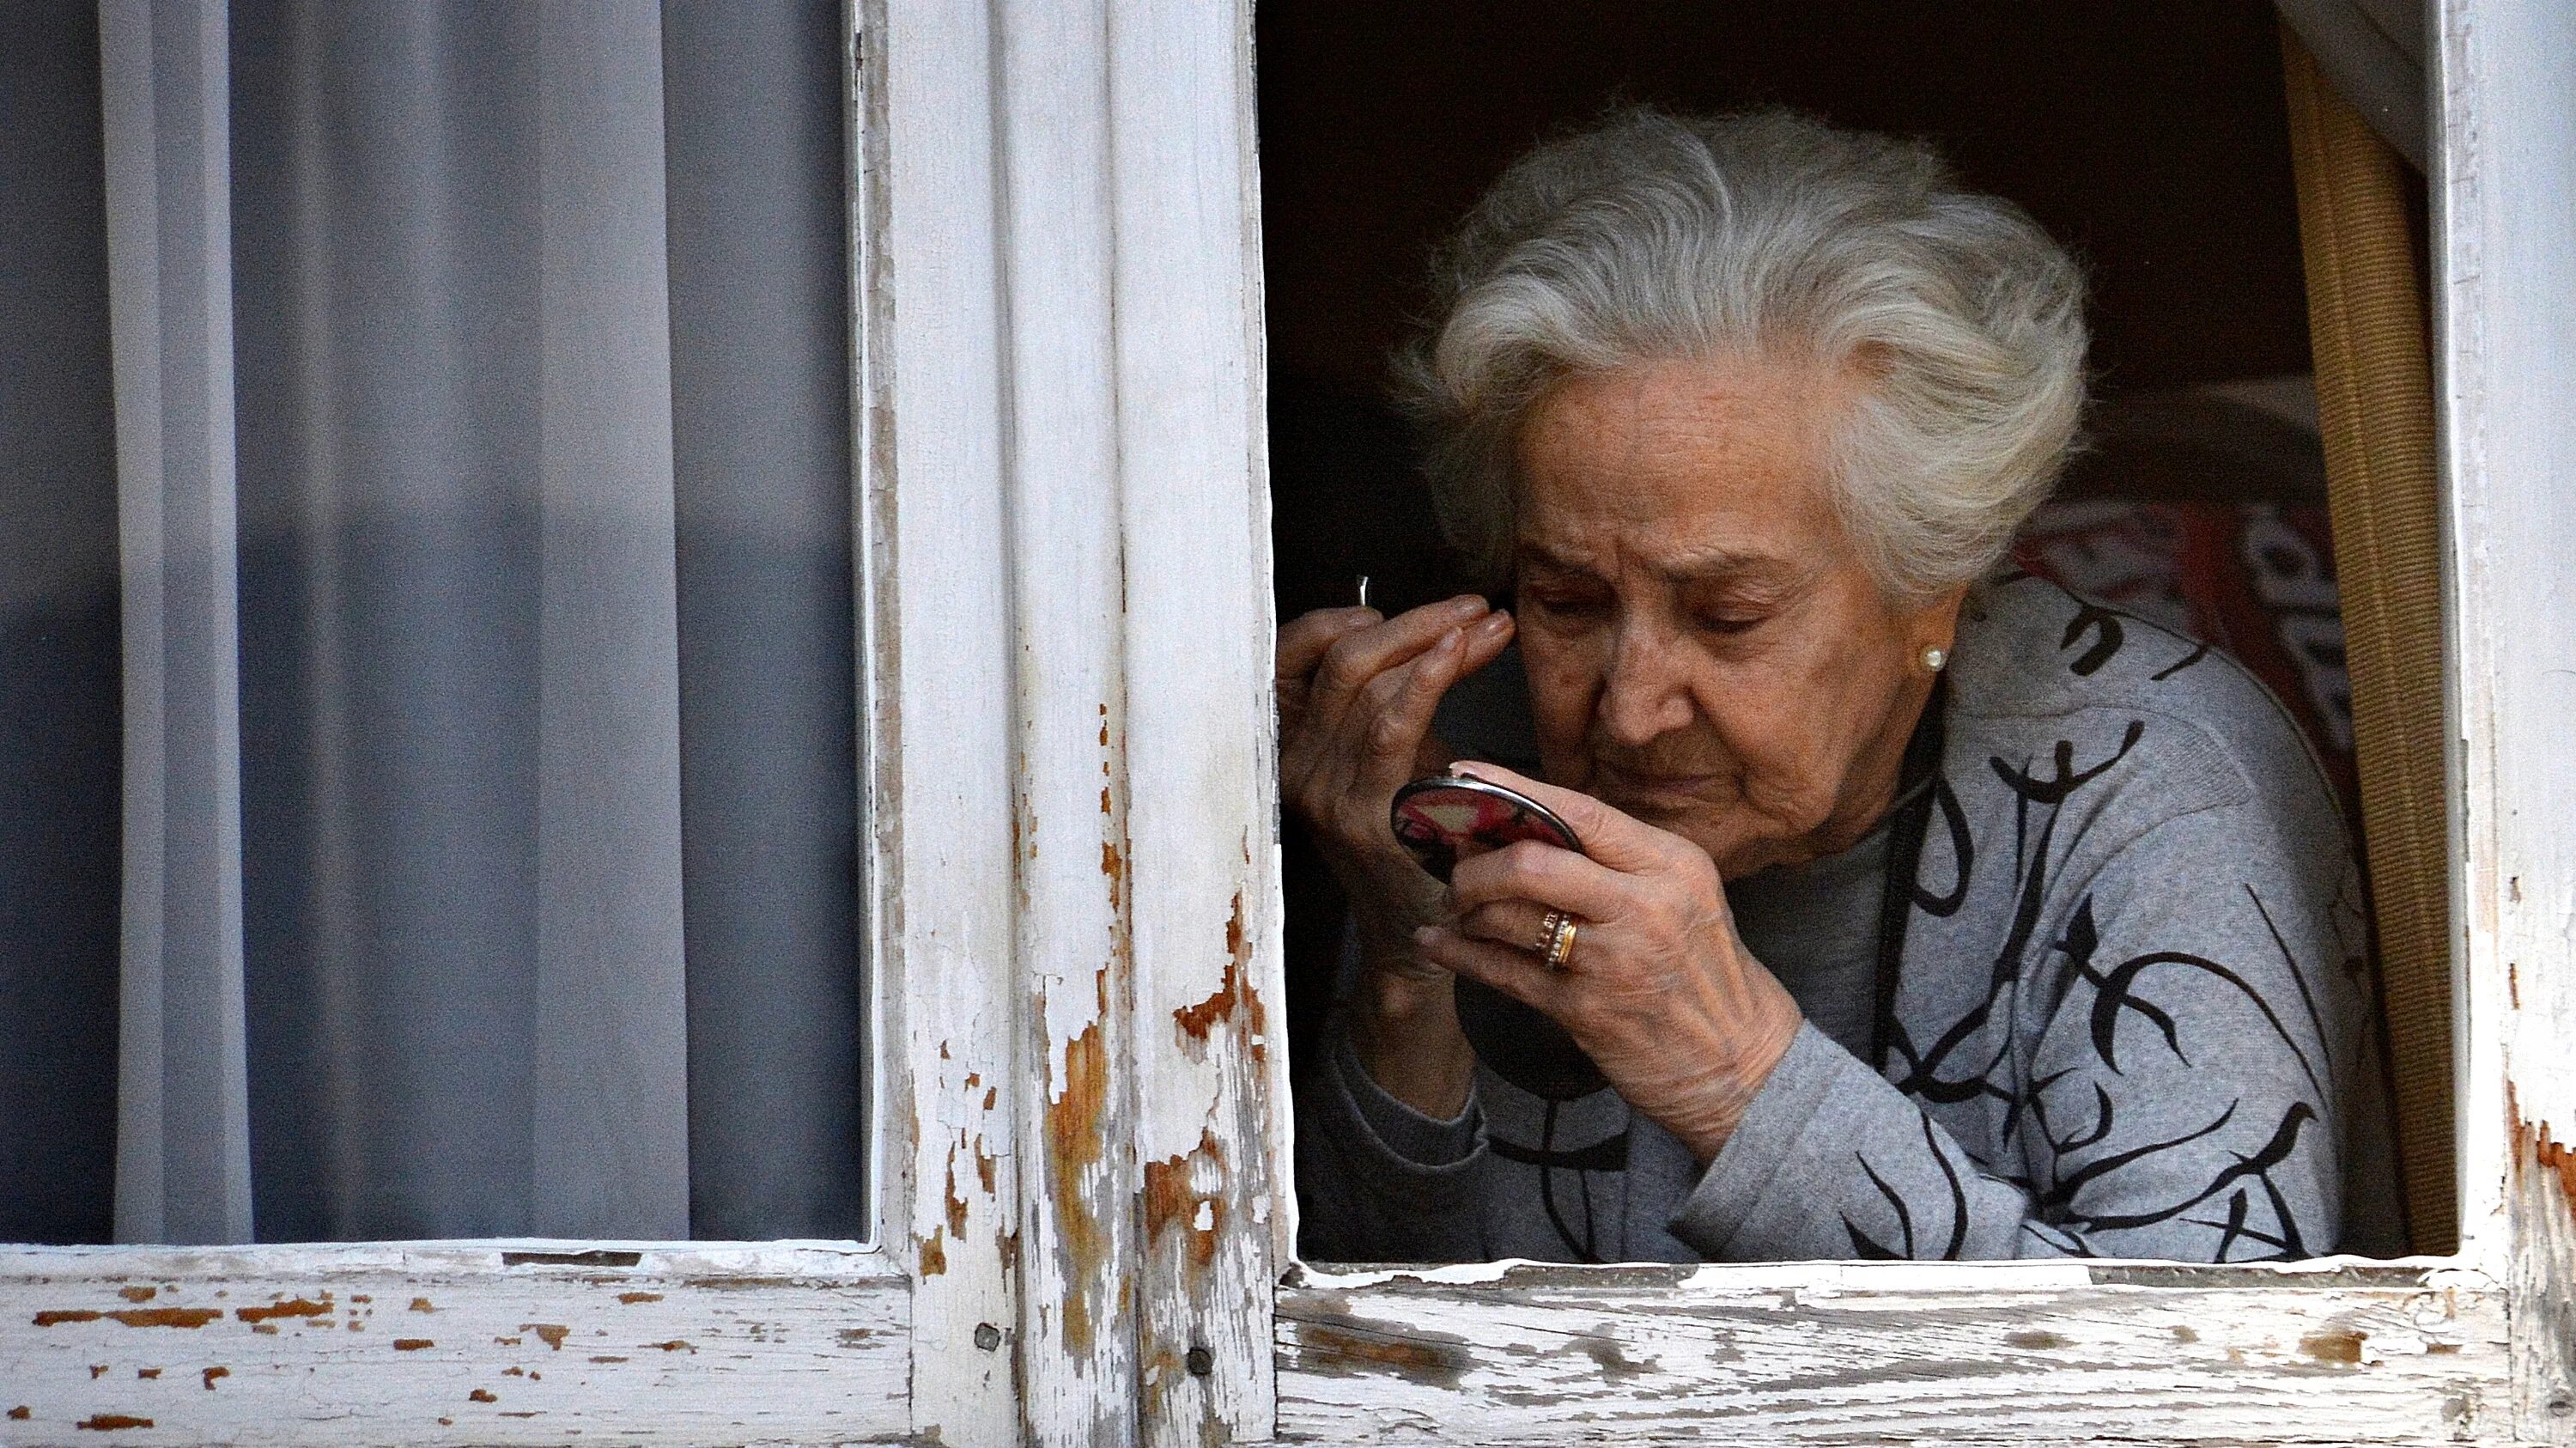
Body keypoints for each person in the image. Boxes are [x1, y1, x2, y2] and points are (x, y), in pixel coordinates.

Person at [1283, 107, 2398, 1263]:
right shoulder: (1466, 761)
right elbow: (1337, 1349)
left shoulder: (2157, 786)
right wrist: (1409, 969)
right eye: (1567, 599)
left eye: (1727, 615)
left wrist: (1742, 1076)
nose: (1628, 707)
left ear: (1935, 586)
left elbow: (2216, 1395)